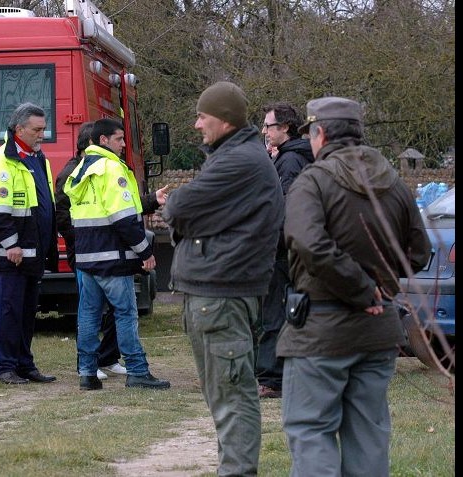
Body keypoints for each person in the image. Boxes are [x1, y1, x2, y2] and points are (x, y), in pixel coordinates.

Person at [278, 96, 431, 476]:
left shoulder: (312, 182)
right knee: (369, 437)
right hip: (377, 334)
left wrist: (363, 289)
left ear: (321, 133)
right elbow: (420, 251)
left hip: (321, 330)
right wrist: (378, 284)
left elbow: (308, 243)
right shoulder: (393, 183)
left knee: (311, 430)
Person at [161, 81, 284, 476]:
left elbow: (179, 206)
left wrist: (187, 217)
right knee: (226, 396)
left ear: (225, 119)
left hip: (222, 295)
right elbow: (190, 212)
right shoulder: (235, 156)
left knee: (232, 398)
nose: (196, 125)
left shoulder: (239, 162)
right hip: (220, 292)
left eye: (202, 116)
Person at [55, 122, 169, 381]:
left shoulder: (80, 170)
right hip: (113, 258)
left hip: (86, 258)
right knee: (126, 314)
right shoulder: (112, 168)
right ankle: (138, 371)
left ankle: (86, 372)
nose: (124, 144)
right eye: (119, 139)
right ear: (104, 140)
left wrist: (148, 200)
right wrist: (144, 252)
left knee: (88, 316)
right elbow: (123, 218)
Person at [0, 102, 58, 385]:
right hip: (10, 255)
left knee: (25, 313)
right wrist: (12, 245)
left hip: (32, 254)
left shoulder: (37, 158)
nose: (42, 135)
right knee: (7, 311)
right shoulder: (0, 161)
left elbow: (43, 204)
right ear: (19, 129)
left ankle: (24, 364)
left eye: (43, 129)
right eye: (37, 129)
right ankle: (4, 367)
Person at [255, 102, 315, 399]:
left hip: (282, 249)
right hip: (295, 247)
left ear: (286, 128)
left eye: (269, 126)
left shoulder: (290, 162)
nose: (265, 131)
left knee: (275, 313)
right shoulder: (296, 156)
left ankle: (271, 378)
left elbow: (286, 207)